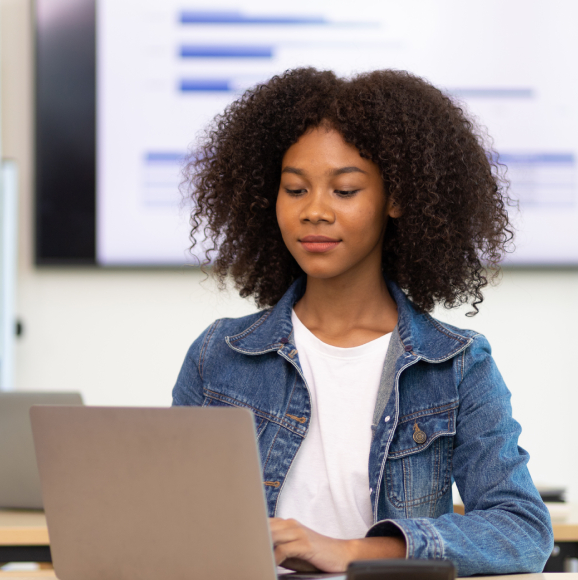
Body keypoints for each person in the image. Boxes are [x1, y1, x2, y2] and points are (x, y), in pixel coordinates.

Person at [172, 68, 553, 575]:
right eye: (295, 189)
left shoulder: (455, 365)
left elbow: (522, 530)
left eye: (345, 191)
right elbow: (176, 523)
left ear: (396, 200)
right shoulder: (219, 355)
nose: (314, 212)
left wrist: (353, 552)